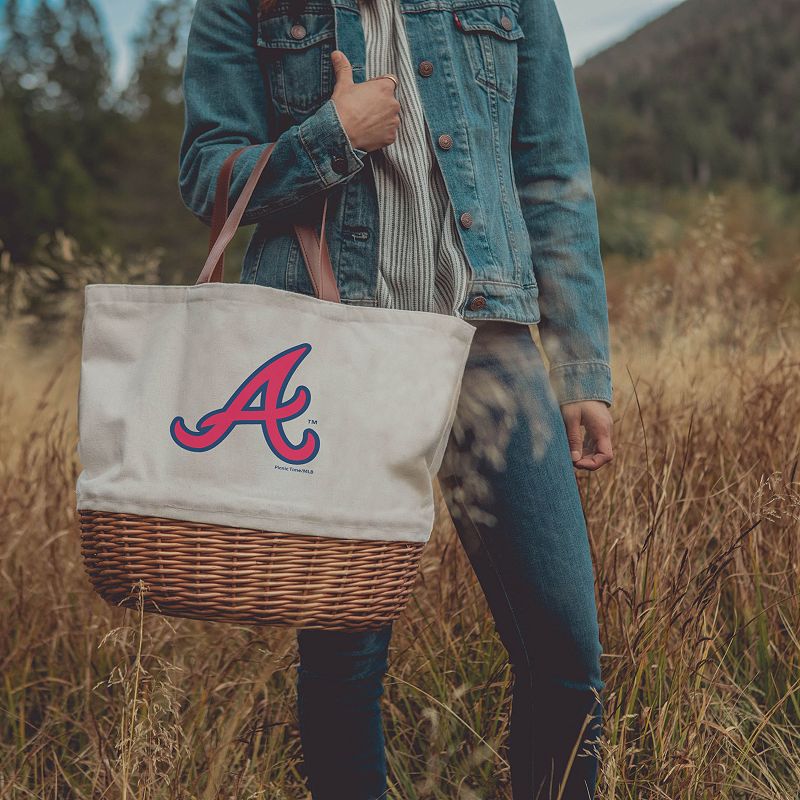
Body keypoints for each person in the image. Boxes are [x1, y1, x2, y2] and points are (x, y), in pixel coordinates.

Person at [179, 0, 614, 797]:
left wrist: (582, 365)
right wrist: (329, 138)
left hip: (490, 345)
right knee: (345, 660)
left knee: (565, 650)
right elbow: (207, 172)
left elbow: (551, 173)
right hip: (335, 350)